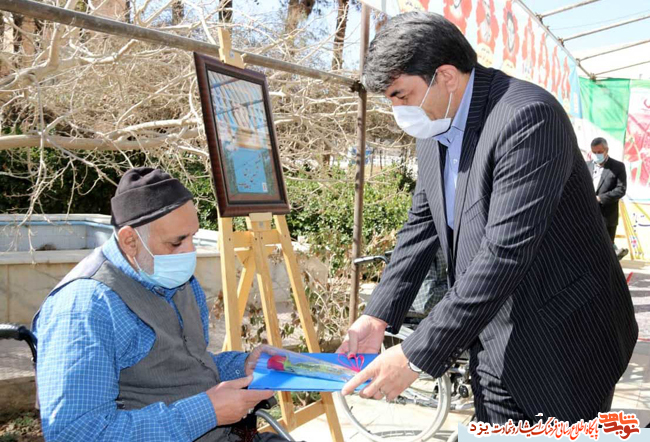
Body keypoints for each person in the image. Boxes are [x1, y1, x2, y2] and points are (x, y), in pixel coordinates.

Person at [339, 12, 637, 425]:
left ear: (445, 76)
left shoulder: (527, 117)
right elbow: (420, 228)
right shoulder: (435, 126)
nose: (398, 110)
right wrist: (378, 315)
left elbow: (504, 253)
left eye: (401, 95)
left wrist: (414, 355)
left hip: (563, 338)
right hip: (490, 332)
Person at [33, 167, 286, 442]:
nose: (190, 252)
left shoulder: (174, 279)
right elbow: (76, 434)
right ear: (130, 241)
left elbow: (185, 367)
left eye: (193, 237)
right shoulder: (85, 308)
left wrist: (242, 366)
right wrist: (208, 411)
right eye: (177, 242)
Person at [588, 137, 628, 260]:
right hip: (587, 216)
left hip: (607, 217)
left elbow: (621, 189)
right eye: (594, 152)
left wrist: (600, 198)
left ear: (607, 150)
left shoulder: (617, 167)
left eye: (599, 152)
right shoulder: (586, 166)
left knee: (605, 252)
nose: (597, 155)